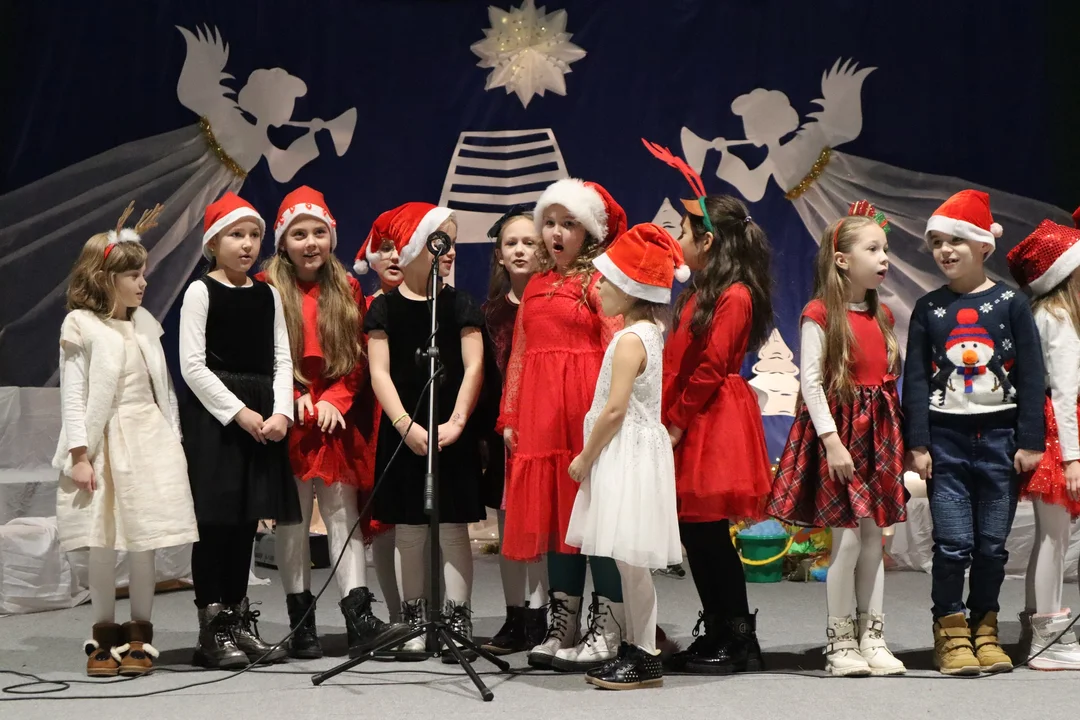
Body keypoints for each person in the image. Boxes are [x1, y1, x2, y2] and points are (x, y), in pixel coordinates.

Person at [261, 186, 409, 659]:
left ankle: (358, 616)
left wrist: (337, 400)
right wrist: (296, 397)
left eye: (319, 233)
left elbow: (359, 356)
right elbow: (262, 358)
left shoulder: (345, 287)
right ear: (283, 242)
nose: (311, 243)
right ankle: (301, 621)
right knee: (293, 521)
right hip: (289, 418)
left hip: (332, 421)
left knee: (343, 515)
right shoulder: (266, 287)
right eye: (299, 234)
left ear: (331, 237)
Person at [644, 136, 774, 674]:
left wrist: (676, 423)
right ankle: (720, 627)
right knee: (697, 534)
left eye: (683, 232)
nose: (677, 240)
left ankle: (738, 637)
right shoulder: (696, 293)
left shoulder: (734, 295)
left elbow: (712, 366)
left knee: (709, 533)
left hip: (710, 419)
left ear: (708, 240)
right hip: (690, 414)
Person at [904, 190, 1045, 675]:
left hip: (1001, 440)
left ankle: (986, 628)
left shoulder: (1011, 304)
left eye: (956, 240)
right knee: (953, 544)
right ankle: (950, 630)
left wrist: (1031, 440)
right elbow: (916, 379)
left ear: (984, 245)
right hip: (945, 441)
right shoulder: (928, 308)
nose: (945, 250)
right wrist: (918, 442)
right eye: (937, 242)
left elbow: (1031, 373)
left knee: (991, 547)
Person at [55, 203, 198, 677]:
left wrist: (174, 439)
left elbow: (163, 389)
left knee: (144, 539)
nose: (142, 283)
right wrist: (79, 454)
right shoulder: (82, 325)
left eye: (143, 274)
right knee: (102, 540)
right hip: (103, 441)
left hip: (147, 437)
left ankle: (139, 636)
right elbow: (74, 394)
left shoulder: (145, 324)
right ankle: (102, 636)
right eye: (133, 275)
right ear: (105, 278)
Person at [768, 202, 908, 677]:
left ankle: (873, 637)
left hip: (876, 438)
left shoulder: (882, 315)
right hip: (841, 436)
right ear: (843, 259)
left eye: (885, 249)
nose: (884, 258)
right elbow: (811, 382)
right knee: (846, 541)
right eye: (873, 249)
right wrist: (832, 441)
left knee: (874, 540)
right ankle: (840, 640)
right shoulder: (819, 313)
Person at [497, 179, 629, 671]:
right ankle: (563, 624)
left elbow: (618, 350)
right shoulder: (535, 284)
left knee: (595, 521)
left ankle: (609, 625)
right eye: (548, 223)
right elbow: (521, 354)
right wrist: (512, 414)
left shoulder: (598, 282)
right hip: (544, 418)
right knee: (558, 522)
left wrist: (612, 414)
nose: (555, 232)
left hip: (585, 415)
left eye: (567, 223)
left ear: (588, 231)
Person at [180, 192, 301, 668]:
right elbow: (192, 365)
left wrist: (282, 412)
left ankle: (236, 617)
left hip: (262, 415)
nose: (247, 244)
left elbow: (282, 358)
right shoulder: (200, 291)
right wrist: (238, 413)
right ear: (214, 242)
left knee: (246, 521)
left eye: (253, 235)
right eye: (236, 235)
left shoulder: (268, 293)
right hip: (218, 419)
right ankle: (211, 630)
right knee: (215, 522)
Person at [564, 222, 685, 689]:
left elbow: (614, 410)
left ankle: (644, 654)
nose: (598, 288)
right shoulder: (649, 333)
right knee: (629, 566)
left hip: (624, 454)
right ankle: (637, 648)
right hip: (636, 452)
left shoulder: (629, 339)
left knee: (631, 565)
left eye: (607, 281)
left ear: (632, 289)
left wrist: (585, 457)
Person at [364, 202, 486, 662]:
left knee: (453, 528)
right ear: (417, 245)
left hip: (450, 432)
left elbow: (473, 366)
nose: (450, 251)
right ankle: (412, 619)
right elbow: (380, 372)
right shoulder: (384, 308)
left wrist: (456, 421)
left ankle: (457, 617)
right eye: (441, 242)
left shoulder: (460, 304)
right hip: (405, 432)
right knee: (409, 530)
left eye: (453, 243)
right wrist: (403, 424)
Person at [1006, 218, 1080, 670]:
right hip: (1058, 435)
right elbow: (1066, 393)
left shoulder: (1042, 314)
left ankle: (1038, 627)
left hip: (1051, 430)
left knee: (1049, 536)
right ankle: (1048, 641)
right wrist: (1073, 458)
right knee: (1056, 537)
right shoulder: (1059, 319)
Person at [479, 206, 550, 655]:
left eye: (529, 242)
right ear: (499, 255)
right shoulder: (490, 313)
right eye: (511, 243)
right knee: (509, 531)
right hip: (504, 435)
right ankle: (514, 615)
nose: (520, 250)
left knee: (542, 530)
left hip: (545, 430)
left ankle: (544, 615)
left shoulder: (555, 303)